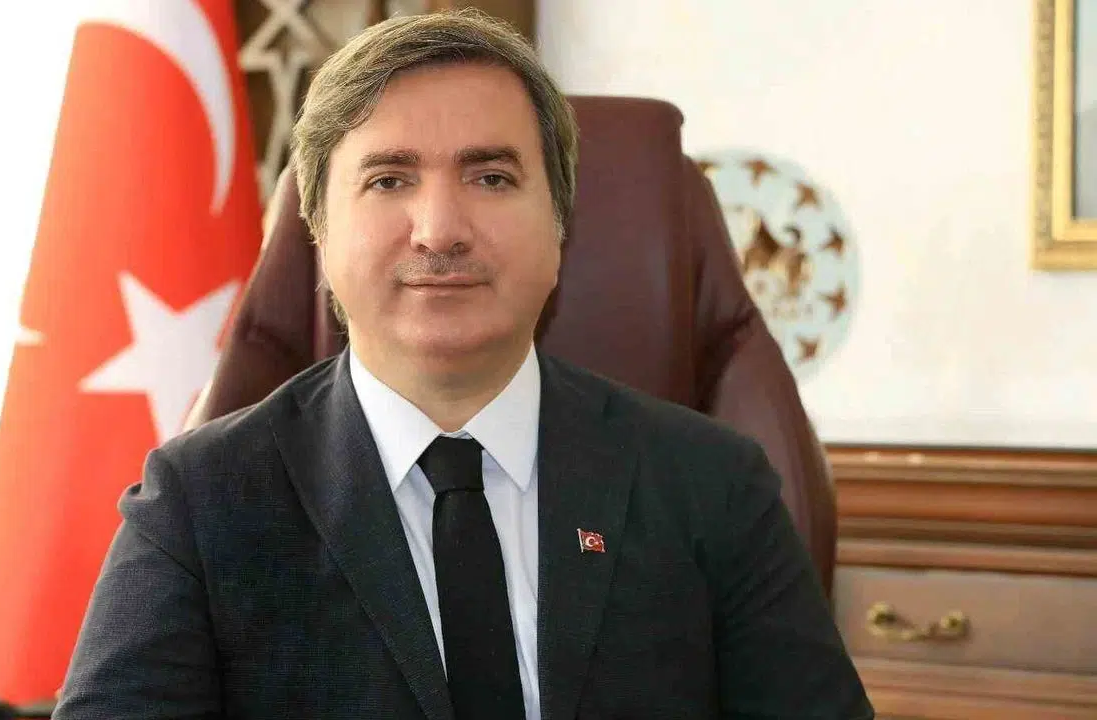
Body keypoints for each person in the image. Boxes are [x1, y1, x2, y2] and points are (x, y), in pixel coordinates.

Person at [54, 9, 873, 720]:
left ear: (560, 227)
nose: (440, 229)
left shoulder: (713, 488)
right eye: (389, 179)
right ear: (319, 234)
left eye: (490, 177)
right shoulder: (199, 507)